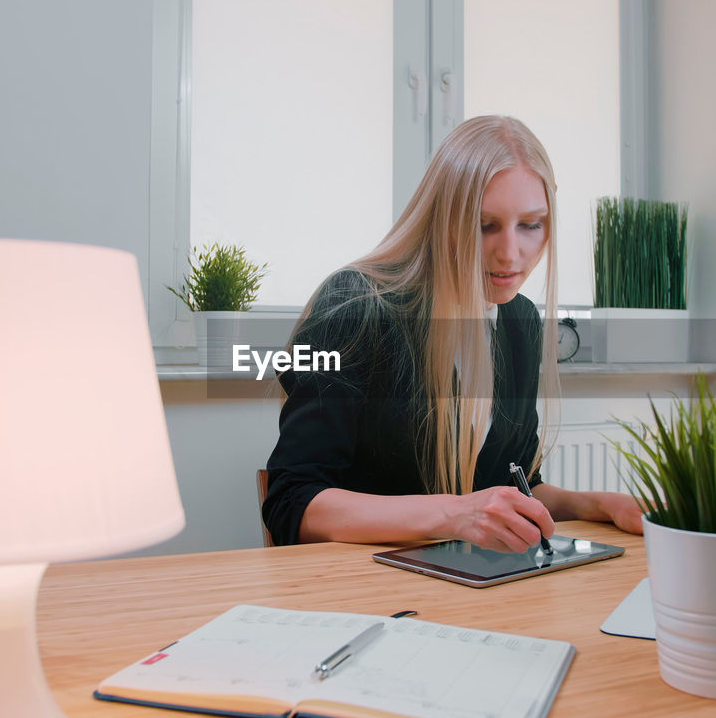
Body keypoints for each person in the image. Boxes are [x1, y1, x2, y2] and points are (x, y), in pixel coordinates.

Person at [262, 115, 644, 551]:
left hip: (468, 586)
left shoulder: (519, 321)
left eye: (531, 225)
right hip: (366, 592)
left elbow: (513, 486)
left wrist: (597, 504)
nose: (510, 253)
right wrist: (456, 514)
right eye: (485, 226)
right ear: (440, 219)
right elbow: (292, 503)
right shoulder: (355, 306)